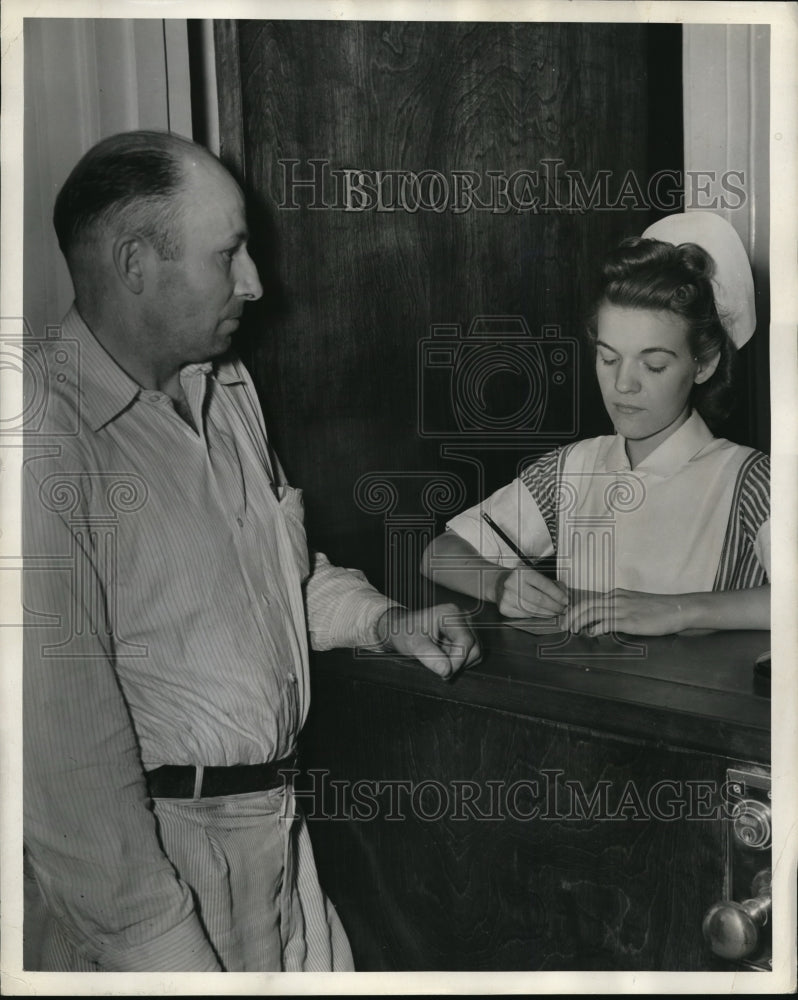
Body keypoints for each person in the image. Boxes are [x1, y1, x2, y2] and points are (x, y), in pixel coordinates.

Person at [22, 129, 480, 973]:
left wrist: (384, 623)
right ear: (134, 264)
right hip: (154, 881)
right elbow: (69, 781)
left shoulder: (225, 385)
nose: (256, 284)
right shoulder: (39, 440)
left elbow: (271, 577)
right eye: (228, 254)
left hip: (277, 839)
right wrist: (166, 958)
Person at [420, 212, 770, 636]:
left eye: (654, 365)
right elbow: (439, 552)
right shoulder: (570, 469)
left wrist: (678, 610)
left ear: (705, 364)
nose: (623, 384)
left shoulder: (752, 482)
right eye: (608, 358)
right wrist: (499, 584)